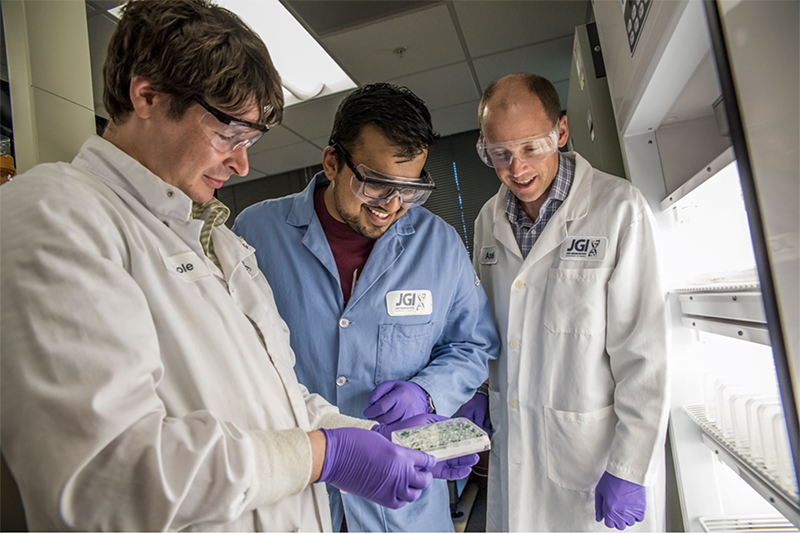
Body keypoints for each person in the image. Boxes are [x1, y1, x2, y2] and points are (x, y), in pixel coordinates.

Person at [0, 1, 467, 530]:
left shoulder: (218, 240)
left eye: (251, 141)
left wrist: (372, 437)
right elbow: (107, 478)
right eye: (229, 134)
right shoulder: (58, 214)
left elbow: (281, 400)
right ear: (147, 95)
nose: (242, 164)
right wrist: (325, 456)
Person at [232, 83, 499, 532]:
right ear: (332, 162)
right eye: (375, 184)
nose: (392, 206)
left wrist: (428, 392)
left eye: (410, 189)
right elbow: (235, 360)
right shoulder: (256, 233)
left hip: (401, 507)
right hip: (297, 498)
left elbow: (473, 343)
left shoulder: (439, 246)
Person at [466, 73, 669, 532]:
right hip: (516, 444)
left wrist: (631, 467)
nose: (516, 169)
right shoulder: (487, 221)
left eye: (531, 148)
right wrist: (479, 391)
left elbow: (645, 353)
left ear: (560, 132)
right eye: (499, 154)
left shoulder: (619, 209)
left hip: (590, 458)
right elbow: (489, 328)